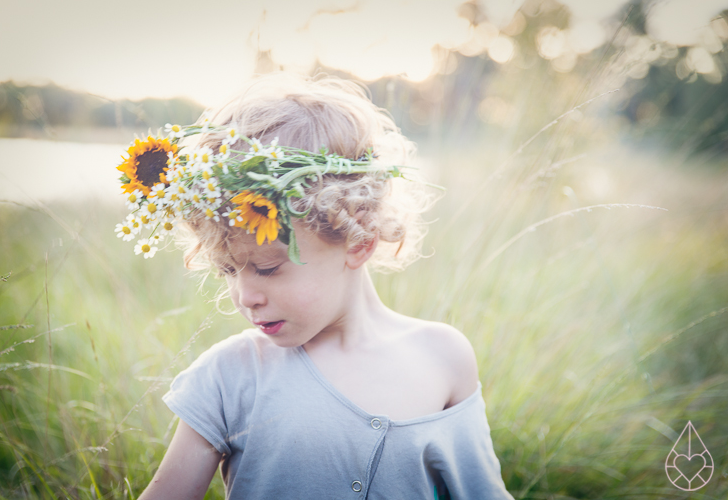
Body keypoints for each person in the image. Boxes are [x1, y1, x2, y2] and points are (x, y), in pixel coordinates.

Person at [124, 74, 514, 499]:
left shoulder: (442, 357)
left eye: (268, 267)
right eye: (228, 271)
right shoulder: (231, 376)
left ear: (359, 241)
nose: (244, 296)